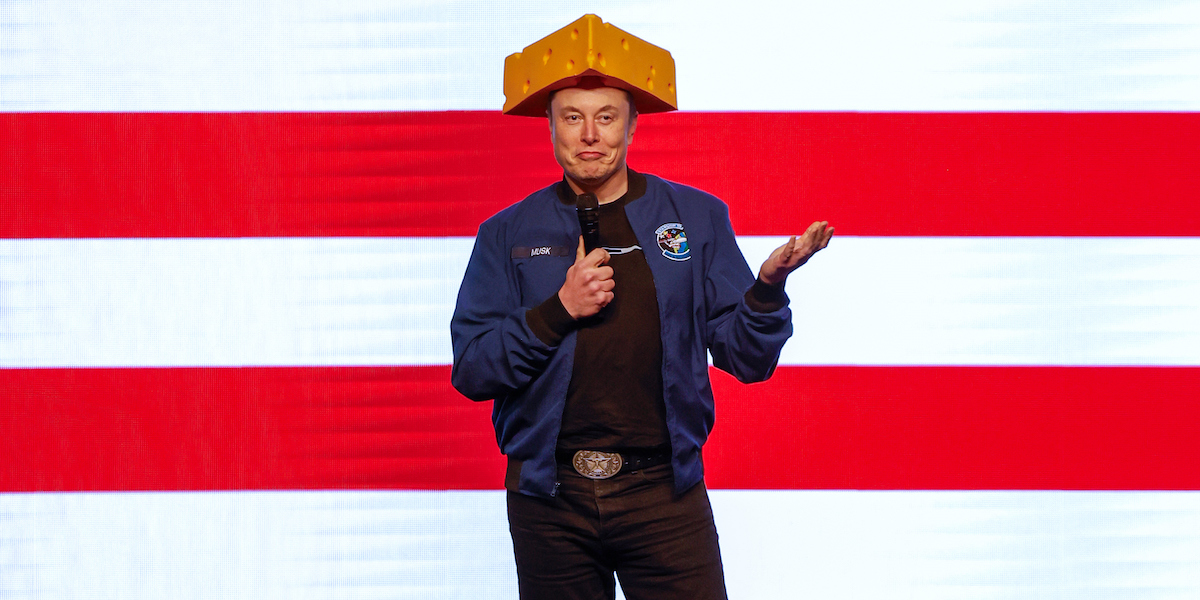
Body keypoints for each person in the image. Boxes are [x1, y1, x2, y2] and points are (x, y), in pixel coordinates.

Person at [450, 15, 833, 600]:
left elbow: (746, 360)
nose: (589, 135)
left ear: (632, 126)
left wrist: (765, 288)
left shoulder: (697, 217)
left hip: (664, 495)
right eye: (572, 118)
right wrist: (559, 310)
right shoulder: (506, 232)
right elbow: (474, 370)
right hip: (548, 500)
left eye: (606, 117)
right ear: (549, 127)